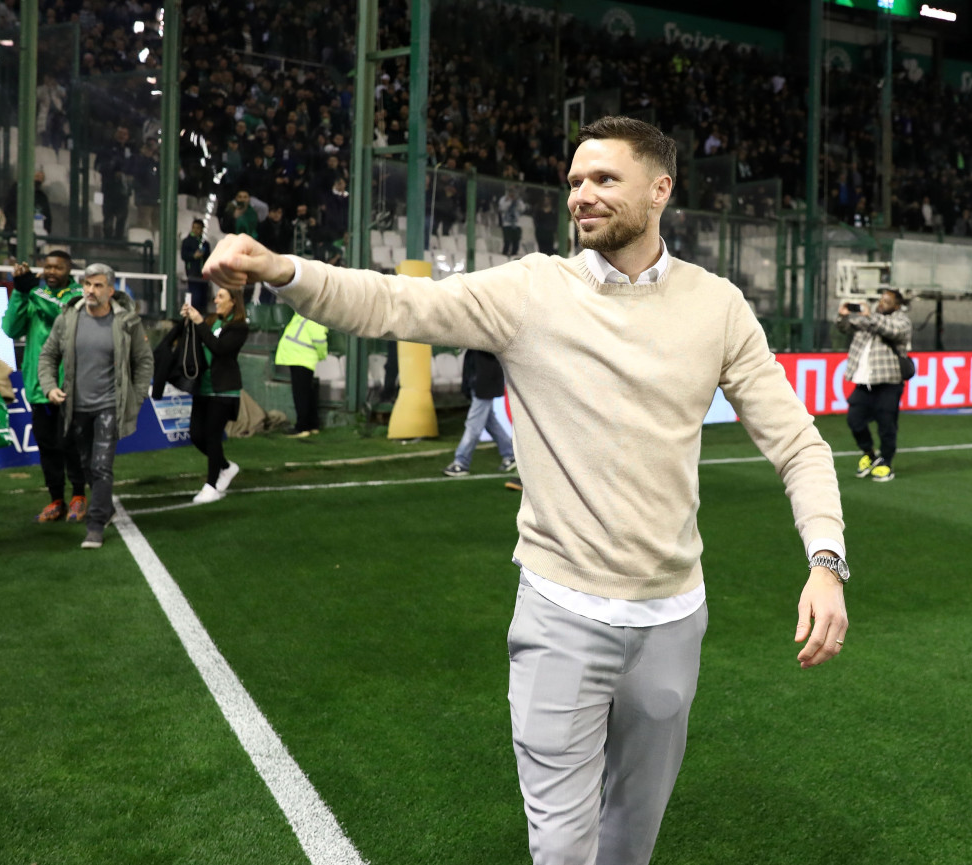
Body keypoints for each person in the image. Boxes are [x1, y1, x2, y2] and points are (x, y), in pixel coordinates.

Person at [204, 115, 849, 865]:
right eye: (574, 181)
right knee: (562, 850)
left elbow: (797, 442)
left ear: (660, 190)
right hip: (560, 617)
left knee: (631, 845)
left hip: (674, 621)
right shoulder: (531, 290)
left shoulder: (718, 305)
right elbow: (395, 303)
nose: (581, 194)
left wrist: (826, 561)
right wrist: (284, 269)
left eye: (604, 178)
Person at [37, 264, 154, 549]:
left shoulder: (127, 322)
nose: (91, 290)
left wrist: (137, 396)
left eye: (98, 285)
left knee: (101, 466)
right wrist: (50, 386)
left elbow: (144, 361)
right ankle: (106, 508)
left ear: (111, 290)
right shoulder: (67, 319)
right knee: (87, 464)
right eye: (87, 284)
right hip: (75, 407)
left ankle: (96, 525)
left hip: (109, 406)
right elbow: (48, 356)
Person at [3, 251, 87, 522]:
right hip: (38, 386)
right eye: (48, 267)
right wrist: (20, 292)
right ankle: (56, 499)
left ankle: (79, 495)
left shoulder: (77, 294)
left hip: (68, 385)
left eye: (57, 268)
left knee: (70, 443)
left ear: (68, 270)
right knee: (47, 446)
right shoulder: (33, 294)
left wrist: (32, 290)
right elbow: (11, 329)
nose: (51, 272)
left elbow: (61, 314)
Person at [836, 288, 912, 483]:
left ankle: (886, 462)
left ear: (897, 306)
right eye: (881, 300)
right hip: (865, 382)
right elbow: (844, 327)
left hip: (889, 382)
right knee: (854, 420)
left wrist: (870, 316)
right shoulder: (869, 319)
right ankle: (869, 454)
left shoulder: (901, 320)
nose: (881, 303)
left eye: (887, 301)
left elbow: (893, 331)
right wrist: (843, 315)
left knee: (887, 425)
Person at [180, 287, 249, 503]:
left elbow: (219, 348)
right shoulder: (211, 321)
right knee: (196, 435)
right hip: (203, 387)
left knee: (212, 436)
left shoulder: (239, 327)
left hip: (224, 390)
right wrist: (189, 320)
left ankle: (211, 486)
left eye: (221, 296)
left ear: (233, 302)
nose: (215, 300)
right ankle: (226, 467)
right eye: (216, 296)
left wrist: (199, 322)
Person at [442, 349, 516, 477]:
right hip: (478, 379)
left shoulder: (487, 343)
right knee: (490, 422)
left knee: (473, 425)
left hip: (484, 381)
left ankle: (461, 462)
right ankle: (510, 454)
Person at [274, 310, 327, 438]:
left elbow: (319, 339)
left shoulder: (310, 314)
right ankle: (312, 425)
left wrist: (322, 355)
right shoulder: (308, 314)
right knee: (307, 392)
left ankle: (302, 427)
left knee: (301, 394)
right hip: (301, 357)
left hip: (300, 357)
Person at [96, 125, 134, 240]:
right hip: (109, 189)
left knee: (122, 218)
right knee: (108, 217)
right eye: (120, 133)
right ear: (115, 134)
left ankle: (119, 241)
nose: (122, 136)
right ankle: (108, 241)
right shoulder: (106, 149)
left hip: (124, 191)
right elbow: (98, 166)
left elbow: (134, 167)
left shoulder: (130, 151)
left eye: (125, 134)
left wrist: (128, 175)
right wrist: (112, 171)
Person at [181, 219, 212, 310]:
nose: (195, 230)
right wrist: (194, 256)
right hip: (192, 273)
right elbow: (184, 255)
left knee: (203, 297)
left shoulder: (205, 244)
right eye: (194, 228)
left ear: (202, 230)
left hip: (203, 275)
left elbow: (208, 258)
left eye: (198, 228)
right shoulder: (187, 242)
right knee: (195, 297)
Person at [498, 186, 524, 256]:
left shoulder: (519, 200)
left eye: (514, 191)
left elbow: (522, 209)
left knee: (516, 242)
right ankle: (504, 255)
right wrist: (509, 201)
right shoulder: (503, 199)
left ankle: (514, 255)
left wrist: (517, 201)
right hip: (507, 224)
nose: (512, 193)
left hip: (517, 224)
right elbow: (501, 208)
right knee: (507, 241)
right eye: (511, 191)